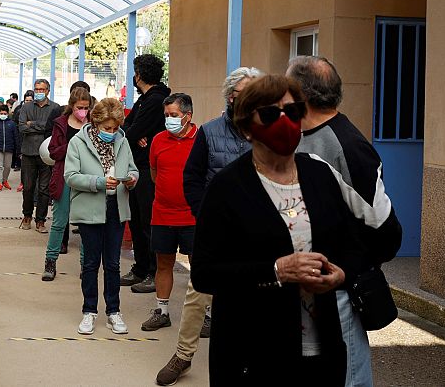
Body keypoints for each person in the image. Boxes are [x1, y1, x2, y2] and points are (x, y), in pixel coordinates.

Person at [191, 74, 365, 385]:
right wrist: (275, 270)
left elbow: (353, 245)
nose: (285, 122)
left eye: (293, 112)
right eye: (270, 114)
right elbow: (204, 273)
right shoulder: (227, 187)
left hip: (321, 351)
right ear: (246, 127)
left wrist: (342, 274)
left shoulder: (319, 175)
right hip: (254, 354)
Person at [288, 55, 402, 387]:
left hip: (337, 291)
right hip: (305, 285)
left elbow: (385, 230)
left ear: (300, 94)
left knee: (347, 376)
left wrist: (346, 269)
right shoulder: (297, 137)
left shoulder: (346, 146)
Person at [156, 67, 261, 385]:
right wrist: (206, 215)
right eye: (248, 93)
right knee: (197, 292)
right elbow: (192, 178)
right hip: (215, 230)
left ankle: (253, 360)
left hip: (257, 233)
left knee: (256, 297)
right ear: (232, 97)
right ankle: (183, 356)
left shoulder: (268, 130)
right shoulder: (210, 131)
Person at [65, 98, 139, 335]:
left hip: (116, 208)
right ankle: (89, 311)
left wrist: (132, 178)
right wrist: (97, 182)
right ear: (96, 123)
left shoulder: (123, 142)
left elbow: (133, 168)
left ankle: (113, 311)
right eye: (107, 128)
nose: (112, 132)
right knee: (90, 263)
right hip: (90, 209)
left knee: (113, 264)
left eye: (116, 128)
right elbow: (71, 176)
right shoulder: (77, 143)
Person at [141, 93, 198, 332]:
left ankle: (203, 314)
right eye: (166, 116)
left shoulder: (201, 139)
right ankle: (162, 311)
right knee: (163, 263)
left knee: (200, 266)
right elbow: (155, 174)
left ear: (188, 116)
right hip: (162, 214)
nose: (169, 120)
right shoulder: (158, 140)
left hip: (192, 216)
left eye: (173, 116)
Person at [121, 54, 171, 293]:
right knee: (137, 219)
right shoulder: (145, 100)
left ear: (138, 75)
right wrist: (133, 132)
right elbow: (126, 127)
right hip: (136, 166)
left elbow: (130, 132)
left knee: (148, 223)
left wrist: (134, 133)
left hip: (148, 170)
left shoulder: (155, 100)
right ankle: (140, 268)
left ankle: (152, 270)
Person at [42, 85, 92, 281]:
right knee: (59, 223)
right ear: (71, 106)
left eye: (87, 107)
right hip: (64, 178)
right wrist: (73, 145)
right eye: (80, 107)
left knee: (86, 224)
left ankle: (85, 266)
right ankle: (50, 262)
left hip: (87, 180)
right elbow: (53, 152)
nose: (83, 111)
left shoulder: (93, 124)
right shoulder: (61, 123)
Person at [18, 79, 60, 233]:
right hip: (28, 152)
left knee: (44, 189)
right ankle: (27, 216)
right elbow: (22, 127)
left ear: (48, 90)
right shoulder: (26, 107)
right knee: (28, 187)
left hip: (47, 154)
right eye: (36, 89)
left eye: (42, 90)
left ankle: (40, 220)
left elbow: (53, 128)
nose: (39, 92)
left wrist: (32, 124)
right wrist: (41, 126)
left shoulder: (55, 108)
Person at [0, 105, 20, 192]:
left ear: (8, 113)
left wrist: (18, 149)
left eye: (5, 113)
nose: (3, 114)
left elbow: (16, 137)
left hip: (9, 148)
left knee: (7, 166)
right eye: (1, 113)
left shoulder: (12, 124)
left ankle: (4, 180)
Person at [13, 91, 34, 178]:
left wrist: (31, 124)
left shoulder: (37, 110)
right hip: (21, 135)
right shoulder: (19, 110)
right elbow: (17, 123)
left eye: (30, 100)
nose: (28, 102)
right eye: (27, 100)